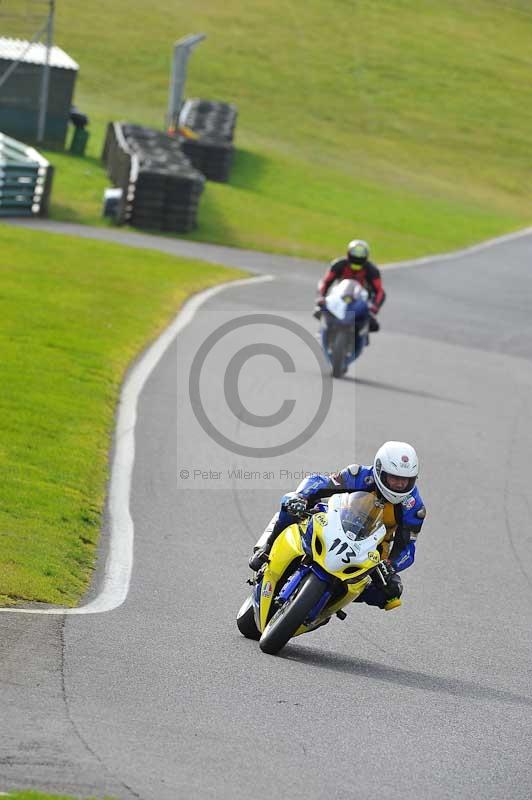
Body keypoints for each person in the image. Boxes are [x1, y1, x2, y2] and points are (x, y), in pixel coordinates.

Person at [248, 441, 426, 610]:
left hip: (372, 549)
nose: (400, 484)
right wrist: (301, 496)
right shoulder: (360, 476)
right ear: (380, 470)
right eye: (394, 477)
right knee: (291, 503)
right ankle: (267, 548)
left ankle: (332, 603)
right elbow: (318, 482)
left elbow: (407, 549)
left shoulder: (413, 507)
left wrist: (391, 565)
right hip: (336, 523)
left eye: (406, 480)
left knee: (392, 591)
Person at [313, 239, 385, 332]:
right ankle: (324, 330)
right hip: (339, 297)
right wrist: (321, 297)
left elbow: (379, 291)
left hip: (361, 301)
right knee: (320, 309)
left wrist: (375, 306)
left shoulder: (372, 270)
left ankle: (363, 333)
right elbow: (325, 282)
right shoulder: (338, 264)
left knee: (372, 323)